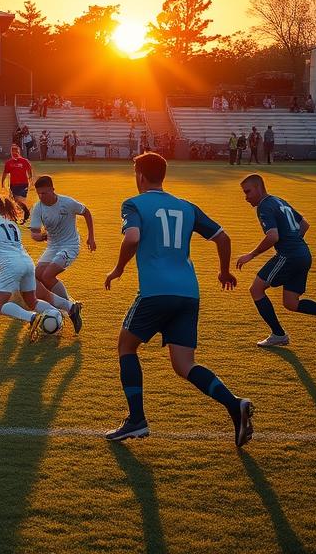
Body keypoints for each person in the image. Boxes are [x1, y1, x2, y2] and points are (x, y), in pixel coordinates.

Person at [103, 152, 253, 446]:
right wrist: (223, 272)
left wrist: (119, 268)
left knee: (126, 347)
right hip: (188, 294)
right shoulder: (186, 207)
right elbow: (222, 237)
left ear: (141, 176)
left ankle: (136, 420)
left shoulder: (133, 204)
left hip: (155, 292)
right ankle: (234, 404)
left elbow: (132, 237)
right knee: (184, 365)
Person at [236, 174, 316, 348]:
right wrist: (295, 242)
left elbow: (272, 236)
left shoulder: (264, 206)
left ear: (258, 188)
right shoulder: (278, 201)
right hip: (303, 254)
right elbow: (304, 224)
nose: (246, 197)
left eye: (248, 192)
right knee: (291, 303)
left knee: (256, 289)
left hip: (289, 256)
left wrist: (251, 255)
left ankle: (278, 335)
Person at [0, 195, 58, 341]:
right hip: (27, 262)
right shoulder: (12, 224)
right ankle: (55, 314)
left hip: (11, 265)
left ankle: (32, 317)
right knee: (32, 301)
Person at [28, 176, 95, 334]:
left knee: (48, 275)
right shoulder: (38, 208)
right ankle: (66, 307)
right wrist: (41, 236)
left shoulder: (67, 203)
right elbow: (34, 234)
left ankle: (70, 310)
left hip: (70, 245)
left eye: (44, 193)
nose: (42, 197)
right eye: (39, 194)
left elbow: (87, 213)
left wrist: (91, 237)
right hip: (53, 246)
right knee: (36, 277)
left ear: (52, 189)